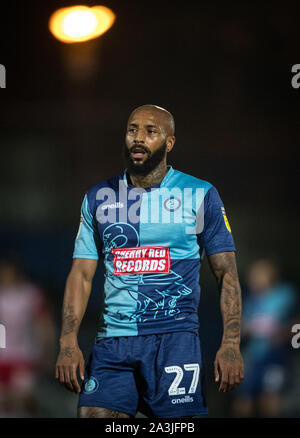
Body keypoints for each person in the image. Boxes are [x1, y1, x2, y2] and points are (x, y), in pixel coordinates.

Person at [55, 104, 244, 418]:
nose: (138, 138)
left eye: (150, 131)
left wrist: (231, 344)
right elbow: (81, 275)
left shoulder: (200, 194)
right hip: (112, 342)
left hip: (175, 339)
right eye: (132, 130)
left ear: (169, 143)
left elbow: (227, 275)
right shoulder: (98, 197)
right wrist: (67, 341)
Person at [231, 258, 297, 418]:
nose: (253, 279)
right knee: (244, 399)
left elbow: (295, 323)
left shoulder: (286, 294)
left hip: (276, 356)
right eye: (252, 275)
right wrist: (248, 328)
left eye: (258, 274)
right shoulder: (251, 299)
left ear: (271, 274)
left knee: (270, 399)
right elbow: (240, 327)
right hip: (253, 356)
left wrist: (283, 333)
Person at [0, 256, 56, 417]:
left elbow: (44, 324)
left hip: (23, 355)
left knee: (23, 401)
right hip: (2, 356)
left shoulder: (30, 294)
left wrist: (47, 351)